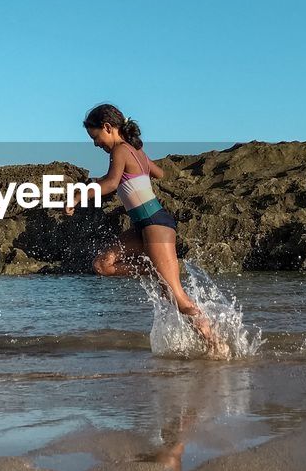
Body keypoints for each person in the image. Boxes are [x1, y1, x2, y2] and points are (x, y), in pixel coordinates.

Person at [67, 103, 227, 358]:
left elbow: (109, 183)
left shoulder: (120, 150)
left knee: (178, 297)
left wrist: (79, 196)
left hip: (155, 224)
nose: (96, 144)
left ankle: (217, 345)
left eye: (96, 137)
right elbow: (160, 173)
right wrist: (141, 163)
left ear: (108, 128)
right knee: (102, 264)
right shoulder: (134, 152)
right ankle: (152, 272)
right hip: (143, 225)